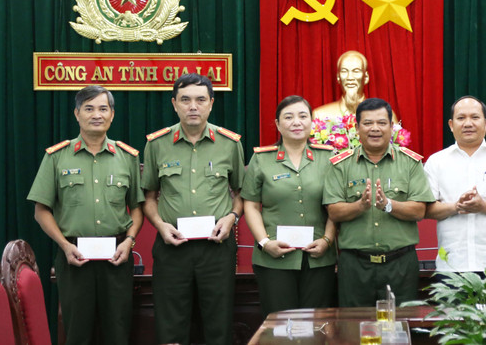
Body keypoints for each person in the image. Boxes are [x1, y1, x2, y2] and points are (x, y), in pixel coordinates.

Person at [27, 85, 143, 344]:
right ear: (76, 113)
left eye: (103, 109)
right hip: (74, 257)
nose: (96, 115)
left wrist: (129, 241)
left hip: (117, 255)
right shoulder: (56, 157)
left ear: (112, 115)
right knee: (77, 333)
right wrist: (64, 245)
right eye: (89, 109)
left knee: (118, 331)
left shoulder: (127, 157)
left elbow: (137, 207)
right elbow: (41, 210)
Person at [141, 73, 245, 345]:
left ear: (211, 103)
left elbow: (242, 194)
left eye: (200, 100)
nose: (193, 106)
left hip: (217, 248)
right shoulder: (156, 144)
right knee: (171, 323)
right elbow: (149, 197)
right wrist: (160, 226)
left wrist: (232, 218)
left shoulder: (230, 143)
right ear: (174, 104)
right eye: (185, 100)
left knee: (218, 324)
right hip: (172, 247)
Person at [323, 97, 434, 306]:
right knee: (353, 332)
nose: (375, 128)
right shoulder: (340, 165)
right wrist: (360, 206)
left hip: (400, 263)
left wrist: (388, 205)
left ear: (392, 127)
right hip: (355, 265)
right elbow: (334, 212)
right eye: (368, 123)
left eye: (382, 123)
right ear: (356, 128)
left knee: (400, 329)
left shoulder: (410, 163)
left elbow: (419, 210)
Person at [242, 95, 337, 318]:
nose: (297, 122)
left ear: (312, 122)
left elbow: (336, 205)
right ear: (277, 124)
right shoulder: (262, 159)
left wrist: (327, 240)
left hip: (318, 257)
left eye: (303, 116)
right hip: (275, 257)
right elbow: (251, 205)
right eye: (289, 117)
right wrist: (265, 242)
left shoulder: (328, 157)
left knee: (316, 323)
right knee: (279, 325)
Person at [424, 95, 486, 272]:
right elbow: (427, 209)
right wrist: (456, 206)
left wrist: (483, 205)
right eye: (461, 118)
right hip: (451, 265)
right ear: (451, 125)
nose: (468, 123)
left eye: (475, 117)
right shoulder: (436, 161)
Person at [313, 50, 370, 119]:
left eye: (356, 71)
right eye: (344, 71)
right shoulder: (321, 116)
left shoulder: (381, 114)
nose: (350, 77)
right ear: (338, 77)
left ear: (366, 78)